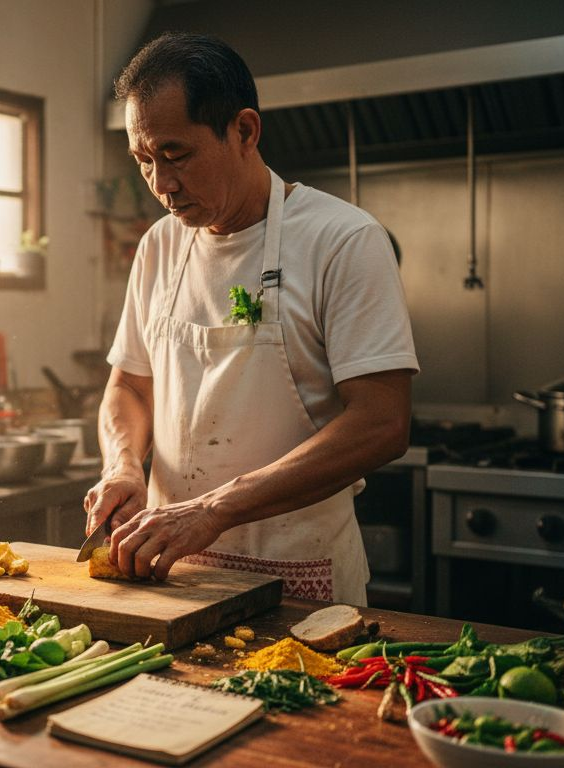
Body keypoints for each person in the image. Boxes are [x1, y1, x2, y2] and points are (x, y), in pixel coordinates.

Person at [86, 32, 418, 604]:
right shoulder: (160, 246)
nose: (162, 185)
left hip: (300, 576)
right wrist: (122, 467)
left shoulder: (343, 240)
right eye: (144, 161)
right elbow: (130, 388)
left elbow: (382, 422)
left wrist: (214, 507)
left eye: (176, 155)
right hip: (173, 574)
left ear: (244, 130)